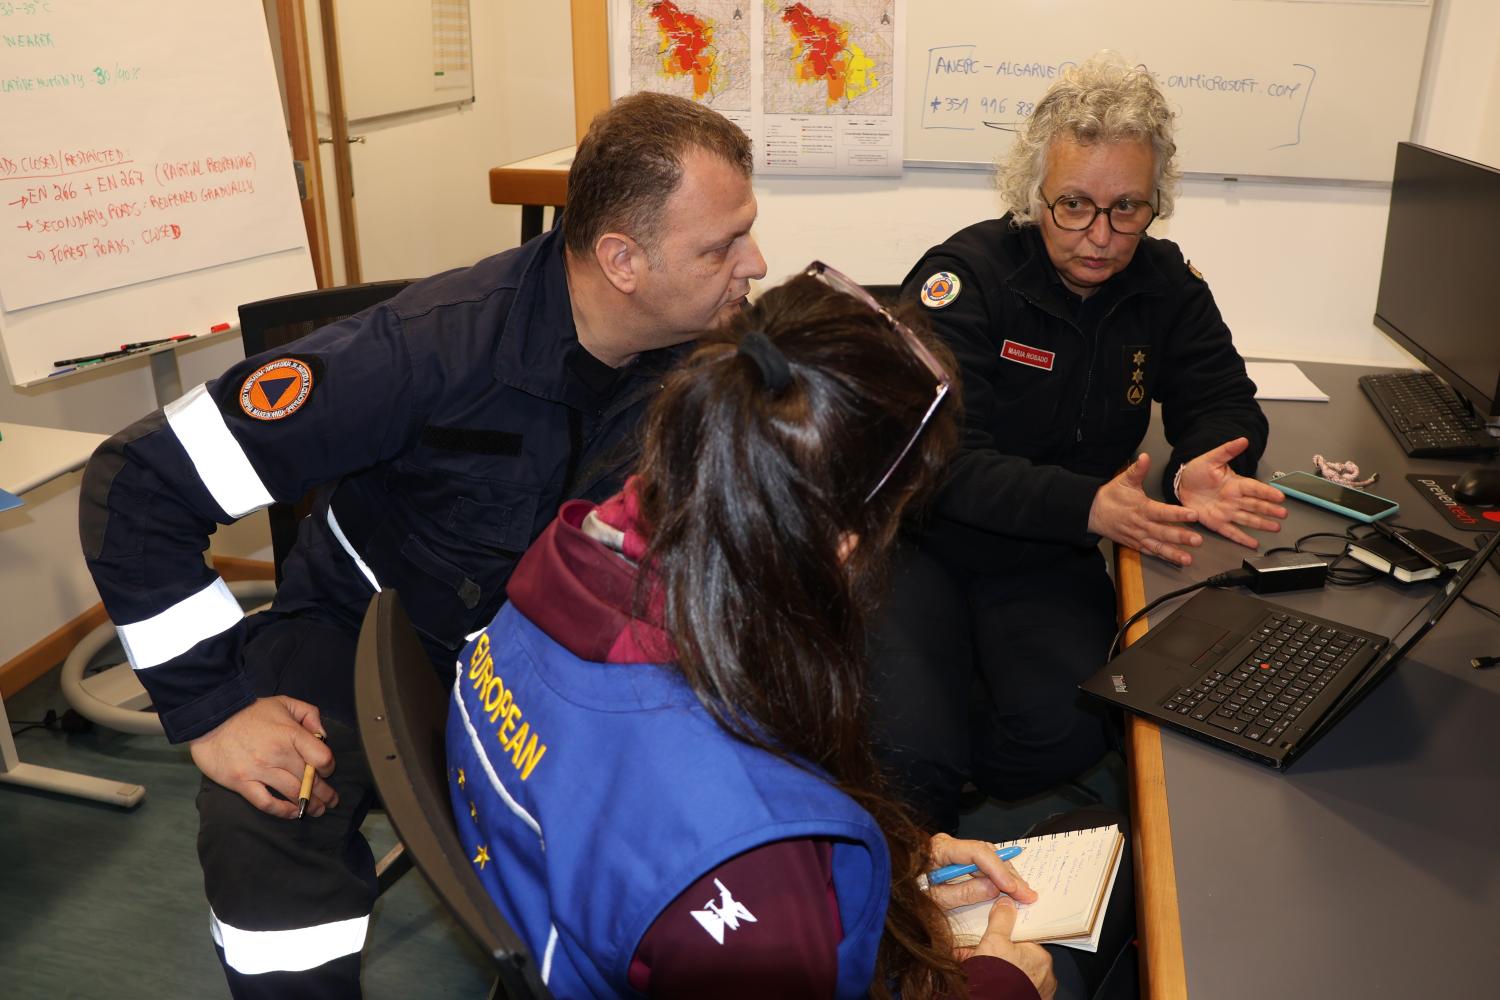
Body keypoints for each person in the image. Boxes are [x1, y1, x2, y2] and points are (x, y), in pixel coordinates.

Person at [78, 91, 765, 998]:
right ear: (621, 261)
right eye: (722, 247)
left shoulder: (718, 357)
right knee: (265, 824)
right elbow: (138, 483)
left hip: (563, 660)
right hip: (374, 635)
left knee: (690, 827)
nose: (755, 263)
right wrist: (212, 710)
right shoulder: (425, 352)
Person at [448, 267, 1083, 999]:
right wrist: (998, 987)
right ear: (844, 545)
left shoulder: (570, 564)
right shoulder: (753, 870)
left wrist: (899, 862)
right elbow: (729, 842)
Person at [870, 53, 1289, 832]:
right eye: (1074, 205)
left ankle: (953, 787)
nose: (1100, 236)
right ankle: (910, 815)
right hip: (927, 542)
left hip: (1050, 549)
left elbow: (1223, 396)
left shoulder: (1165, 284)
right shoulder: (965, 277)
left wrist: (1205, 457)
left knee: (1072, 725)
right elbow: (941, 460)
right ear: (1033, 194)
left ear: (1153, 203)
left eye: (1127, 208)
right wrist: (1090, 504)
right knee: (908, 753)